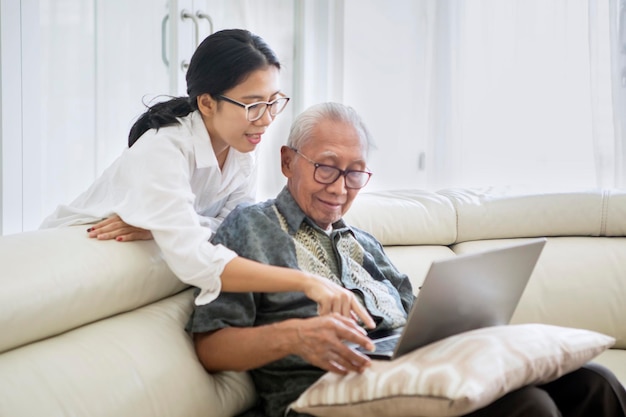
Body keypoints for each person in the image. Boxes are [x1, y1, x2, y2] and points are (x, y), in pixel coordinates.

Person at [187, 102, 626, 417]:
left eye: (355, 171)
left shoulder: (364, 241)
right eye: (326, 167)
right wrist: (295, 336)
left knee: (595, 383)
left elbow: (418, 321)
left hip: (412, 373)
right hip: (322, 393)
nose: (340, 187)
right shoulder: (251, 227)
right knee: (528, 407)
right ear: (288, 162)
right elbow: (210, 346)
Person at [39, 29, 374, 328]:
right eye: (252, 105)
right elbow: (196, 260)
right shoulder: (164, 150)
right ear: (207, 103)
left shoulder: (242, 150)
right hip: (68, 255)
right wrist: (305, 282)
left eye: (273, 102)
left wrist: (168, 224)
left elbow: (234, 230)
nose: (267, 119)